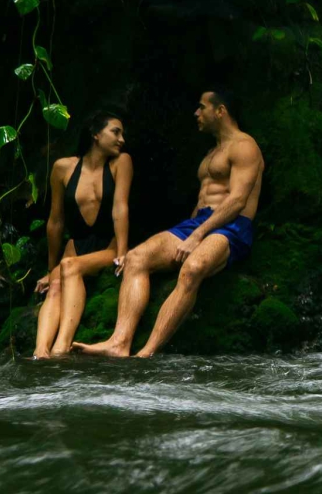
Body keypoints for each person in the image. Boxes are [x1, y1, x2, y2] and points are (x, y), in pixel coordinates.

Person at [75, 90, 263, 358]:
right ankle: (119, 342)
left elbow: (236, 201)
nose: (196, 114)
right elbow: (202, 202)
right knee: (137, 257)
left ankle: (147, 353)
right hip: (198, 223)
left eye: (201, 108)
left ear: (220, 111)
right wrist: (189, 232)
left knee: (193, 267)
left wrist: (197, 237)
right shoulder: (212, 152)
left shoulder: (245, 146)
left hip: (231, 226)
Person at [31, 111, 134, 358]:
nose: (121, 139)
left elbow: (120, 207)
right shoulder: (63, 168)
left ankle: (61, 348)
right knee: (55, 284)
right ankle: (40, 352)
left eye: (123, 134)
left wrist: (121, 253)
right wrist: (50, 269)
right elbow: (56, 221)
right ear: (96, 134)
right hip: (75, 247)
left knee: (70, 267)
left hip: (106, 247)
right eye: (115, 132)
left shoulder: (122, 163)